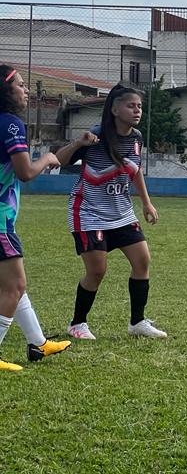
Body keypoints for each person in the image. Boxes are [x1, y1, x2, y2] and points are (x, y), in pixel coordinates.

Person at [55, 85, 165, 339]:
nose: (137, 110)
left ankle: (137, 322)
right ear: (115, 109)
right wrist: (78, 143)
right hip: (89, 212)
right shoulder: (96, 136)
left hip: (122, 212)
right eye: (130, 105)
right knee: (97, 271)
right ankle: (77, 323)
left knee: (142, 261)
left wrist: (146, 203)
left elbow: (134, 171)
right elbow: (59, 160)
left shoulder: (136, 137)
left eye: (139, 106)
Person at [0, 66, 71, 371]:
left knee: (14, 284)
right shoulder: (11, 124)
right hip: (0, 220)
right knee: (14, 286)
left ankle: (38, 343)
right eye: (20, 85)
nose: (25, 90)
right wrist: (48, 158)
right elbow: (25, 172)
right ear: (5, 91)